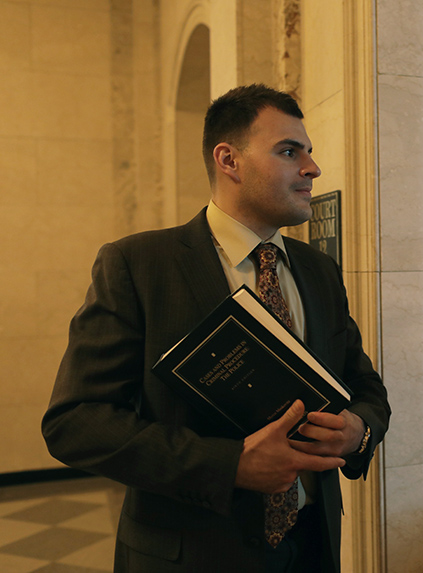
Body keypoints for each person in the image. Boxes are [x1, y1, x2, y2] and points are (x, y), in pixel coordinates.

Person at [42, 84, 390, 572]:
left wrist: (358, 430)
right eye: (289, 151)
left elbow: (365, 387)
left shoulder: (320, 270)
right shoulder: (139, 265)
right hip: (191, 555)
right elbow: (75, 423)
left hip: (313, 546)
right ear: (229, 160)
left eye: (308, 152)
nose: (312, 168)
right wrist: (229, 465)